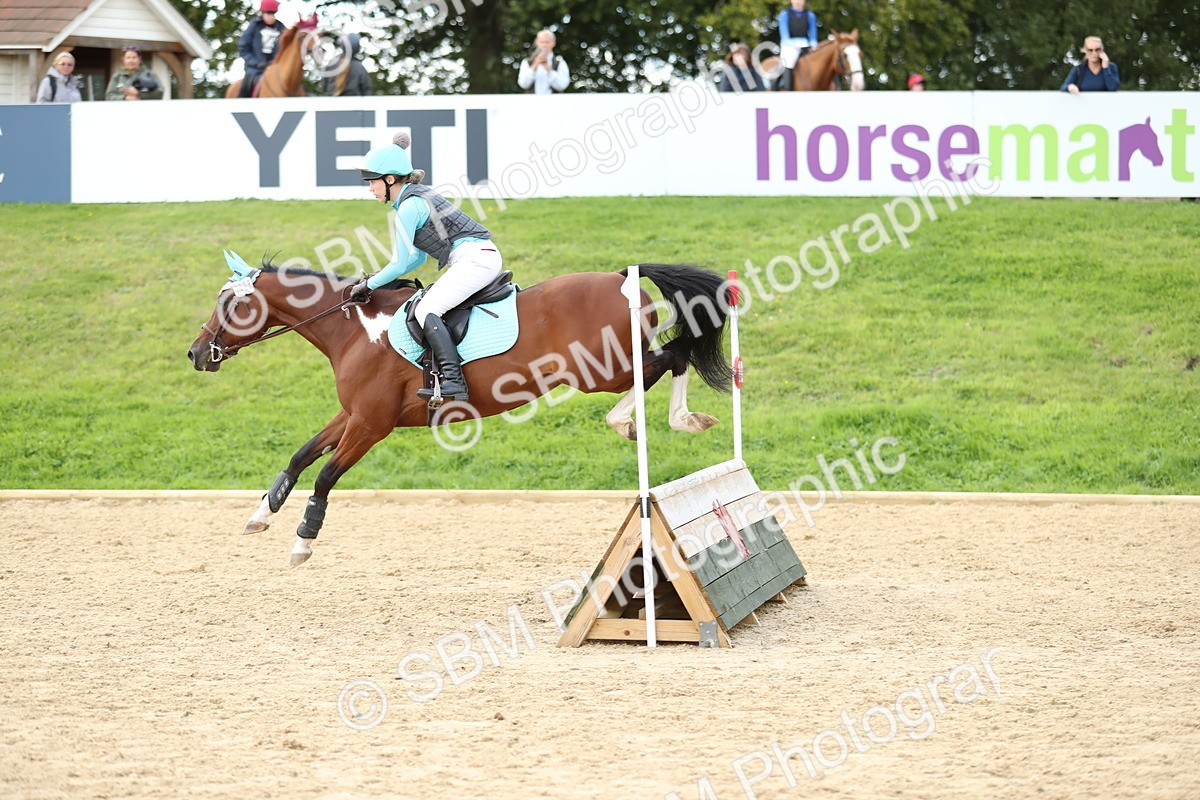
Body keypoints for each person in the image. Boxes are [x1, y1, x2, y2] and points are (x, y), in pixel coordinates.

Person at [351, 132, 503, 403]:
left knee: (426, 309)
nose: (370, 189)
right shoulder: (415, 200)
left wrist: (368, 285)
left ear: (389, 180)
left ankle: (454, 382)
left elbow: (399, 262)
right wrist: (376, 279)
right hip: (478, 256)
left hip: (474, 258)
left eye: (372, 182)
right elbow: (416, 259)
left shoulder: (410, 207)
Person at [237, 0, 288, 98]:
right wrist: (256, 63)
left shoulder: (281, 28)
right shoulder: (254, 26)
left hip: (275, 67)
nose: (271, 16)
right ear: (263, 13)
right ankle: (242, 106)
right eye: (268, 13)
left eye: (273, 13)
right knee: (246, 86)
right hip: (255, 68)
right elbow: (243, 48)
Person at [775, 0, 818, 91]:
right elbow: (785, 35)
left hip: (805, 46)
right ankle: (785, 86)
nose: (798, 1)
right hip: (789, 46)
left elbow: (813, 35)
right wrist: (795, 44)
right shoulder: (785, 14)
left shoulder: (810, 15)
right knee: (787, 61)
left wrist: (813, 45)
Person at [517, 30, 570, 95]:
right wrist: (534, 66)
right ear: (537, 43)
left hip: (554, 103)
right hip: (532, 103)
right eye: (542, 42)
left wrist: (549, 69)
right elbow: (523, 84)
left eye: (547, 42)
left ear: (553, 43)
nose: (544, 45)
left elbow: (562, 86)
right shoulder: (527, 62)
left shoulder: (560, 63)